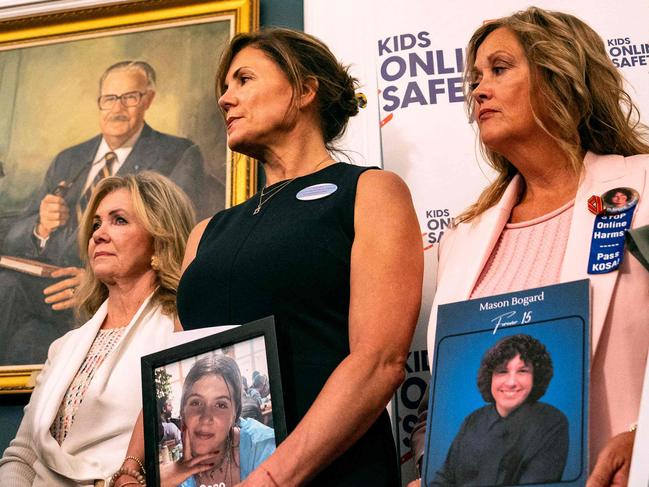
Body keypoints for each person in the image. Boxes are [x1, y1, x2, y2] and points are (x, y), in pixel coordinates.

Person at [113, 27, 423, 487]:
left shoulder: (368, 192)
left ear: (304, 89)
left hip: (334, 474)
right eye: (224, 87)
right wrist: (131, 470)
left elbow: (379, 361)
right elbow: (176, 367)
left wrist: (272, 478)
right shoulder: (207, 232)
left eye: (243, 80)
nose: (225, 99)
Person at [411, 7, 649, 487]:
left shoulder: (644, 186)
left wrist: (641, 438)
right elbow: (447, 405)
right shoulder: (461, 241)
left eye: (499, 69)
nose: (479, 89)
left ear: (561, 77)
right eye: (475, 77)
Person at [0, 60, 215, 366]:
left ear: (148, 100)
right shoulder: (68, 158)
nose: (118, 108)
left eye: (130, 97)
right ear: (99, 103)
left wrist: (95, 280)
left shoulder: (178, 154)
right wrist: (41, 227)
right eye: (110, 99)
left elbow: (177, 238)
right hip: (44, 294)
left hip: (115, 296)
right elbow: (14, 234)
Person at [0, 171, 195, 485]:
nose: (99, 235)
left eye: (118, 220)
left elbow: (187, 448)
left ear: (160, 237)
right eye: (95, 224)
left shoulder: (179, 331)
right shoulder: (64, 346)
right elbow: (22, 455)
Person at [431, 335, 568, 486]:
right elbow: (443, 479)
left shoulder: (551, 422)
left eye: (522, 371)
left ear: (536, 377)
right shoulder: (473, 421)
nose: (511, 382)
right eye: (502, 371)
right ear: (490, 378)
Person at [161, 355, 276, 487]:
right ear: (182, 411)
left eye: (221, 405)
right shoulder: (172, 478)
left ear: (235, 414)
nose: (206, 417)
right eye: (196, 402)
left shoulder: (265, 448)